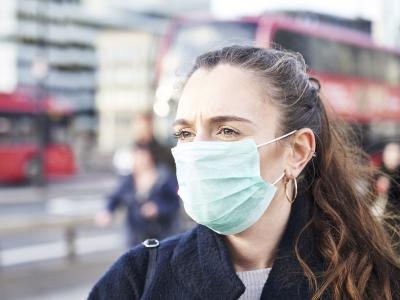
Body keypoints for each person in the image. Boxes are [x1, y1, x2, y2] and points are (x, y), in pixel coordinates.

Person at [89, 46, 400, 299]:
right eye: (185, 134)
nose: (198, 151)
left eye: (226, 130)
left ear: (297, 152)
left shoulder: (372, 283)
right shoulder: (136, 279)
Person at [95, 142, 180, 247]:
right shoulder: (128, 179)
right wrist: (107, 211)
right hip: (135, 236)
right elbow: (115, 197)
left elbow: (175, 202)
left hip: (162, 234)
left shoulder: (164, 177)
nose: (140, 161)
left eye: (143, 156)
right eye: (137, 157)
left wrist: (158, 209)